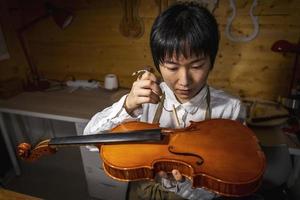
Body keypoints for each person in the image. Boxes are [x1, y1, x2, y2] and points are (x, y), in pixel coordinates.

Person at [84, 2, 246, 200]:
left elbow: (236, 174)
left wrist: (191, 182)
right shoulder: (145, 100)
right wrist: (128, 105)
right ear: (158, 64)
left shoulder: (231, 109)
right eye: (171, 67)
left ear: (211, 61)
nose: (184, 81)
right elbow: (90, 140)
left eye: (196, 66)